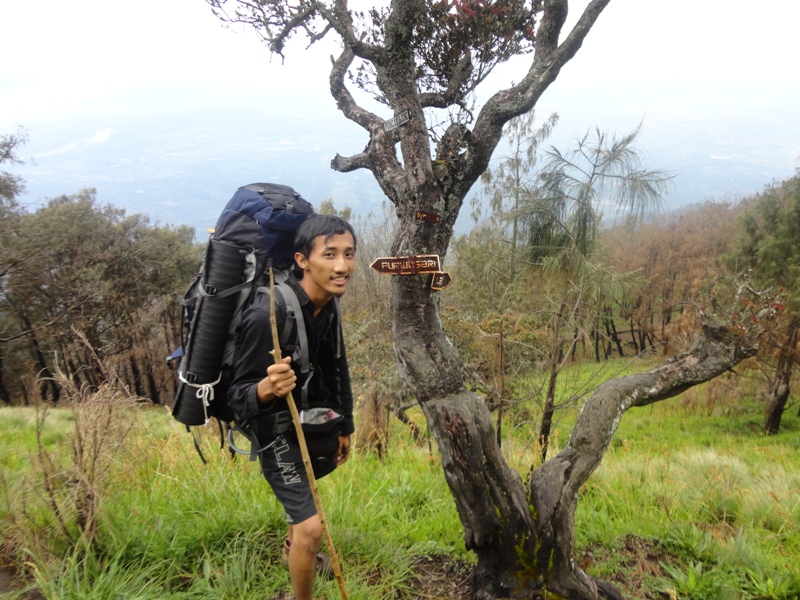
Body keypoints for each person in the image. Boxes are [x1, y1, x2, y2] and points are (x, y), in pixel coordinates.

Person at [229, 214, 357, 600]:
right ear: (302, 260)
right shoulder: (266, 315)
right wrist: (268, 386)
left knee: (303, 511)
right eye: (330, 254)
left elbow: (338, 367)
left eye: (349, 254)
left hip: (309, 423)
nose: (342, 265)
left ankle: (293, 549)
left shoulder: (328, 305)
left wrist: (345, 424)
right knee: (312, 529)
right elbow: (239, 399)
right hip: (274, 432)